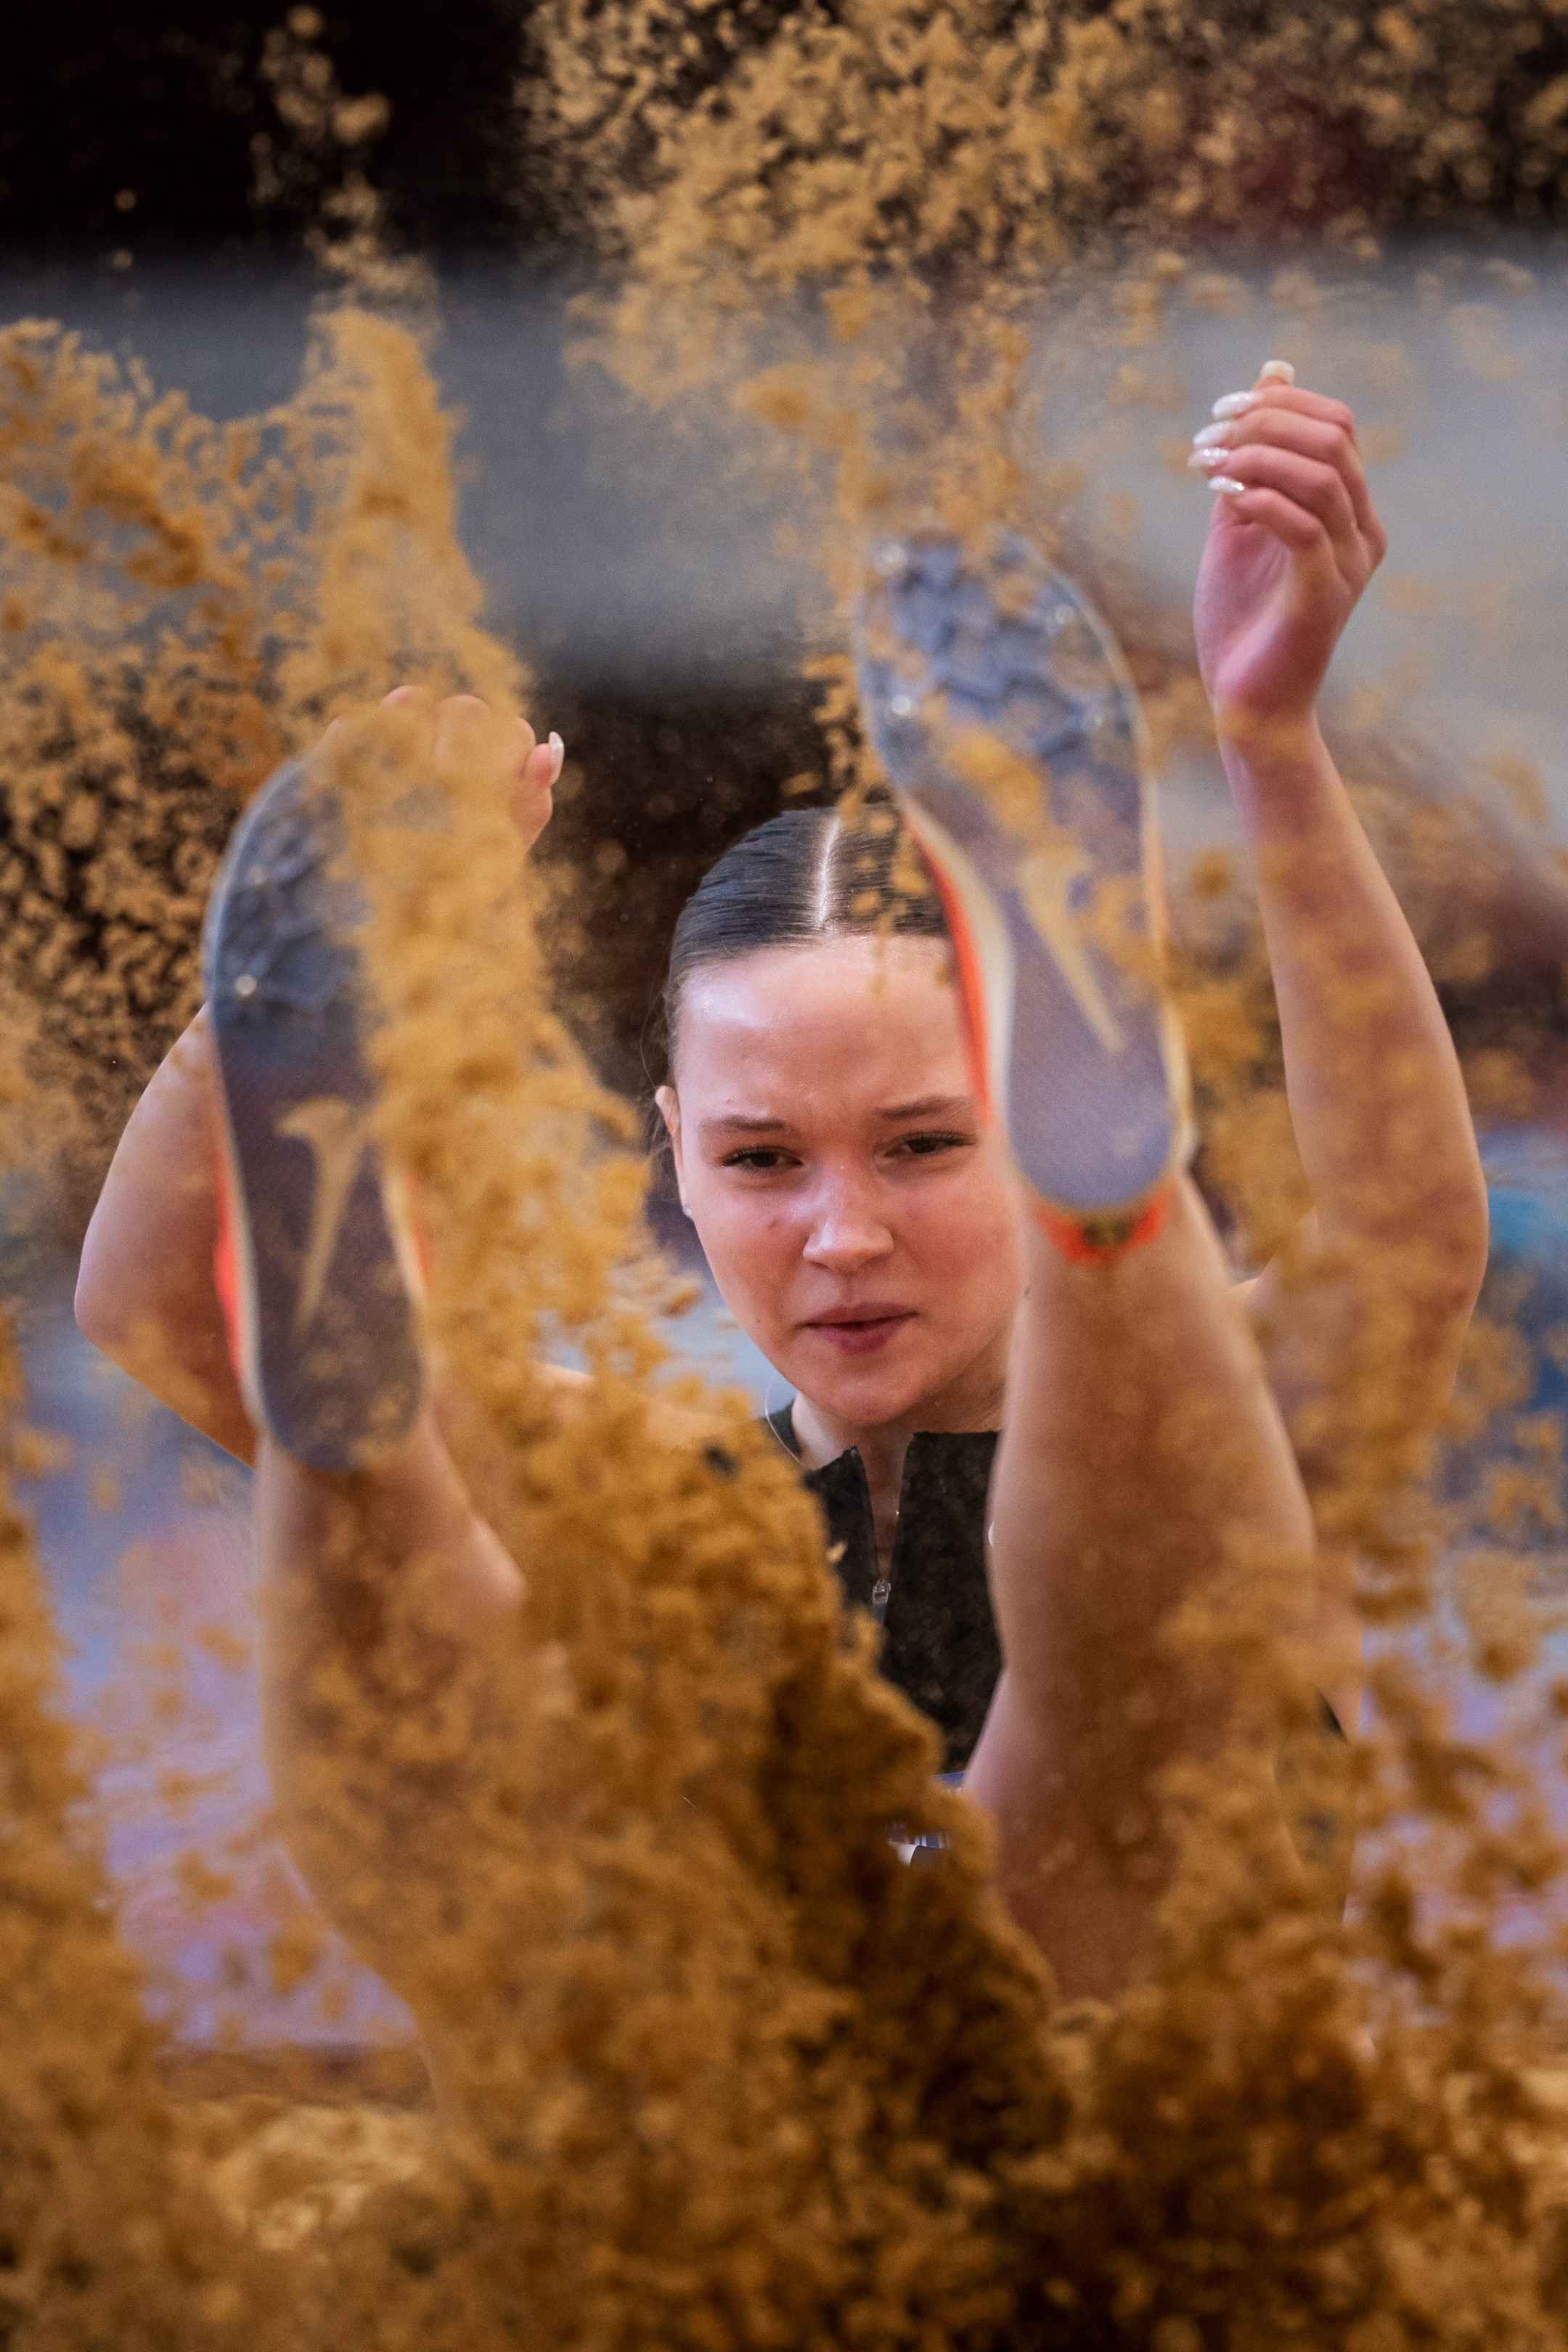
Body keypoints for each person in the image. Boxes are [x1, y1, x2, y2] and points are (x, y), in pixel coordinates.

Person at [73, 363, 1487, 2022]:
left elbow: (1402, 1239)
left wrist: (1272, 742)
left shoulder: (1231, 1426)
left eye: (924, 1143)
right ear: (672, 1149)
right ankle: (346, 1315)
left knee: (1132, 1596)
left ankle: (1115, 1224)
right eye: (760, 1161)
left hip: (1109, 2191)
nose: (843, 1234)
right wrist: (264, 1016)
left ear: (1027, 1112)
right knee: (508, 1832)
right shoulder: (653, 1503)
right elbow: (161, 1308)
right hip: (710, 2227)